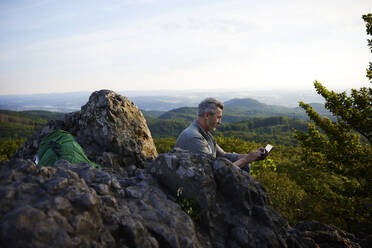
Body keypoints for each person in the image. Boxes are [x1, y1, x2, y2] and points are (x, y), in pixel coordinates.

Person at [175, 97, 267, 173]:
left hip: (203, 181)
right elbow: (211, 173)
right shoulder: (194, 138)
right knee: (244, 165)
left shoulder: (205, 134)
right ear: (207, 116)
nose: (220, 122)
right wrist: (246, 159)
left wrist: (253, 156)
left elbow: (223, 155)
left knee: (245, 166)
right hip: (194, 188)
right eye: (218, 117)